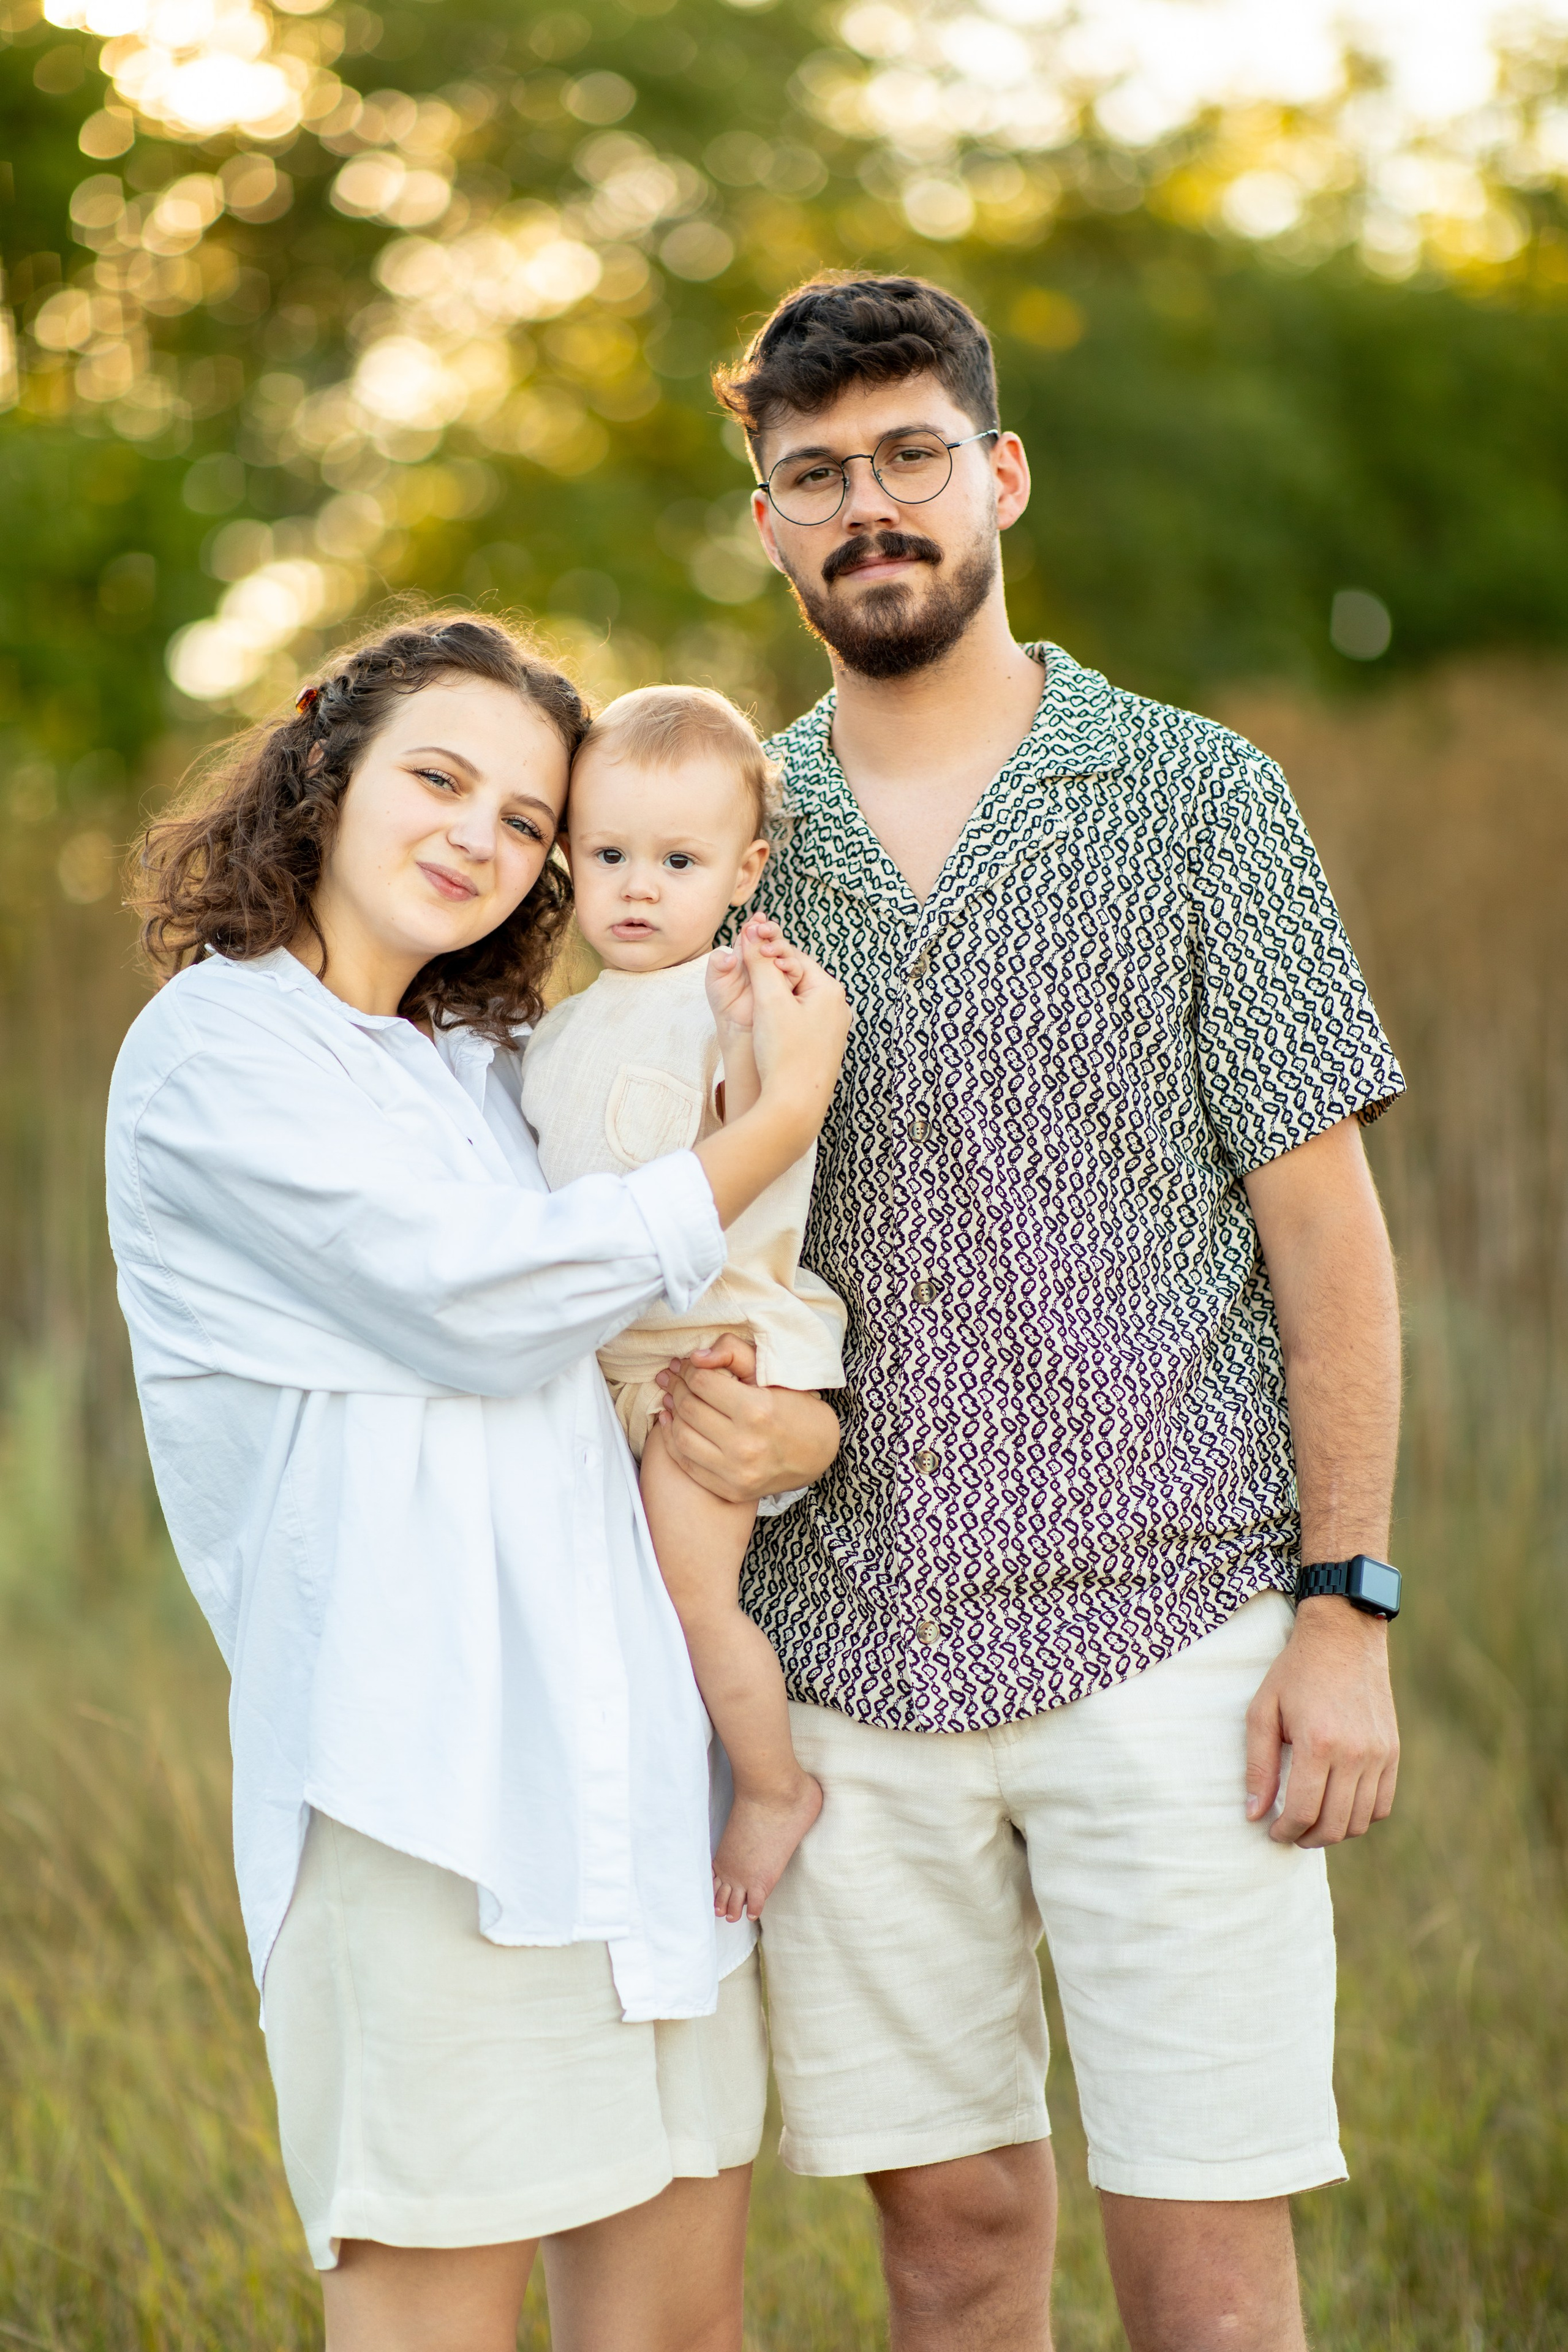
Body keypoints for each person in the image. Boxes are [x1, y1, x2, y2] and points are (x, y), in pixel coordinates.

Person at [650, 275, 1407, 2351]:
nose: (866, 507)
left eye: (907, 458)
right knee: (956, 2250)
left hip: (1177, 1634)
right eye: (814, 477)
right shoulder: (736, 853)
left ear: (997, 473)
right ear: (768, 527)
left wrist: (1344, 1608)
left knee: (1209, 2267)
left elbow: (1327, 1233)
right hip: (846, 1656)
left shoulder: (1198, 797)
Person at [105, 614, 850, 2352]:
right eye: (441, 779)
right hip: (425, 1793)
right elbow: (480, 1304)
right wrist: (778, 1116)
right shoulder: (222, 1057)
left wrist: (791, 1435)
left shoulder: (480, 1069)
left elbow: (654, 1347)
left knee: (674, 2333)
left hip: (637, 1772)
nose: (480, 837)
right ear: (327, 767)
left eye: (527, 819)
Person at [522, 685, 846, 1927]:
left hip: (723, 1351)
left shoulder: (742, 997)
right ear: (567, 857)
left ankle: (770, 1789)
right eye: (607, 856)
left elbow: (757, 1145)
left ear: (744, 867)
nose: (637, 887)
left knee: (687, 1593)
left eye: (676, 860)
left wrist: (749, 1036)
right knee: (613, 1600)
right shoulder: (555, 1033)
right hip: (613, 1361)